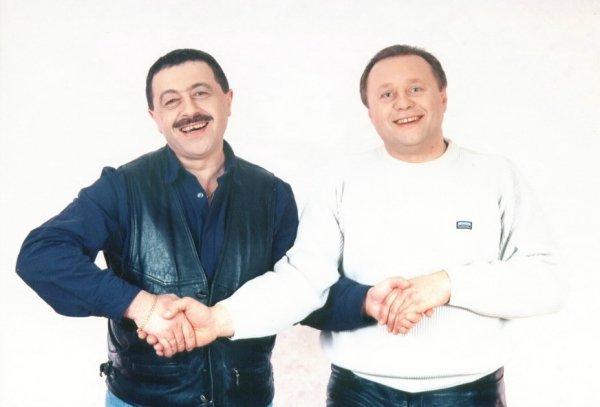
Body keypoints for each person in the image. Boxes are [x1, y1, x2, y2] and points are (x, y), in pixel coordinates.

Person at [153, 45, 564, 406]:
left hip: (468, 393)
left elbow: (548, 281)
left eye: (415, 88)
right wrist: (219, 319)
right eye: (387, 94)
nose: (402, 103)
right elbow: (302, 281)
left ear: (442, 96)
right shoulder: (341, 179)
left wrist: (447, 284)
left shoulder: (495, 175)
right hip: (360, 392)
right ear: (370, 112)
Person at [15, 48, 377, 407]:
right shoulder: (121, 188)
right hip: (141, 401)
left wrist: (367, 301)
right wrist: (141, 306)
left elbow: (303, 291)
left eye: (200, 93)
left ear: (228, 100)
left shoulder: (272, 194)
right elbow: (41, 256)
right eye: (171, 101)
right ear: (155, 117)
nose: (189, 110)